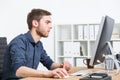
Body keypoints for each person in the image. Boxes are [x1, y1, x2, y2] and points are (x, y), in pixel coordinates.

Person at [2, 8, 71, 80]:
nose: (50, 26)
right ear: (35, 23)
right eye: (47, 22)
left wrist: (62, 66)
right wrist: (47, 74)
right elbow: (19, 70)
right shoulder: (19, 42)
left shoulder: (38, 44)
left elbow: (49, 64)